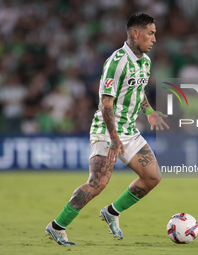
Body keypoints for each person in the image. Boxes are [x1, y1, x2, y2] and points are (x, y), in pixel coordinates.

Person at [45, 13, 168, 245]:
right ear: (135, 33)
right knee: (98, 182)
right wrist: (113, 138)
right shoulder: (116, 62)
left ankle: (111, 212)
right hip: (106, 129)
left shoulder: (146, 62)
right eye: (150, 33)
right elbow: (106, 103)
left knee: (152, 177)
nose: (154, 39)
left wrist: (149, 111)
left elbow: (138, 91)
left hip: (129, 130)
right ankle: (56, 226)